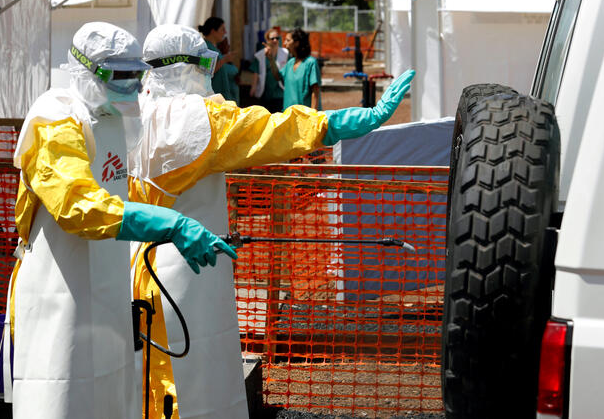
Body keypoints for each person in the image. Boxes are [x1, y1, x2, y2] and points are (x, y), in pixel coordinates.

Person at [129, 24, 415, 419]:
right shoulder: (201, 120)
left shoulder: (129, 113)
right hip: (189, 273)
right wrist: (346, 122)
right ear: (191, 66)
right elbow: (276, 131)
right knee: (194, 386)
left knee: (151, 380)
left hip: (137, 267)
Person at [8, 22, 235, 419]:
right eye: (120, 75)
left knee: (114, 395)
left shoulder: (115, 119)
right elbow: (77, 205)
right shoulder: (56, 121)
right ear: (86, 71)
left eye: (136, 74)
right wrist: (169, 223)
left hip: (108, 289)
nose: (131, 86)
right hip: (58, 292)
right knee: (61, 396)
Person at [267, 28, 321, 109]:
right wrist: (271, 59)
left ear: (296, 43)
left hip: (304, 114)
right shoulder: (290, 63)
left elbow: (315, 91)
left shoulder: (310, 63)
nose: (285, 43)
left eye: (288, 40)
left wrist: (313, 114)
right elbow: (277, 77)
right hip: (289, 113)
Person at [198, 16, 238, 102]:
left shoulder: (214, 47)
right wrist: (224, 60)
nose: (225, 32)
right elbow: (205, 72)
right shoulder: (205, 47)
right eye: (222, 29)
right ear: (213, 31)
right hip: (214, 98)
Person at [250, 28, 288, 113]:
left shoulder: (285, 53)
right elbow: (256, 72)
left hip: (280, 91)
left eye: (277, 38)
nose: (275, 40)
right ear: (267, 40)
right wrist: (253, 87)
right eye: (272, 38)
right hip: (265, 92)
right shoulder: (260, 55)